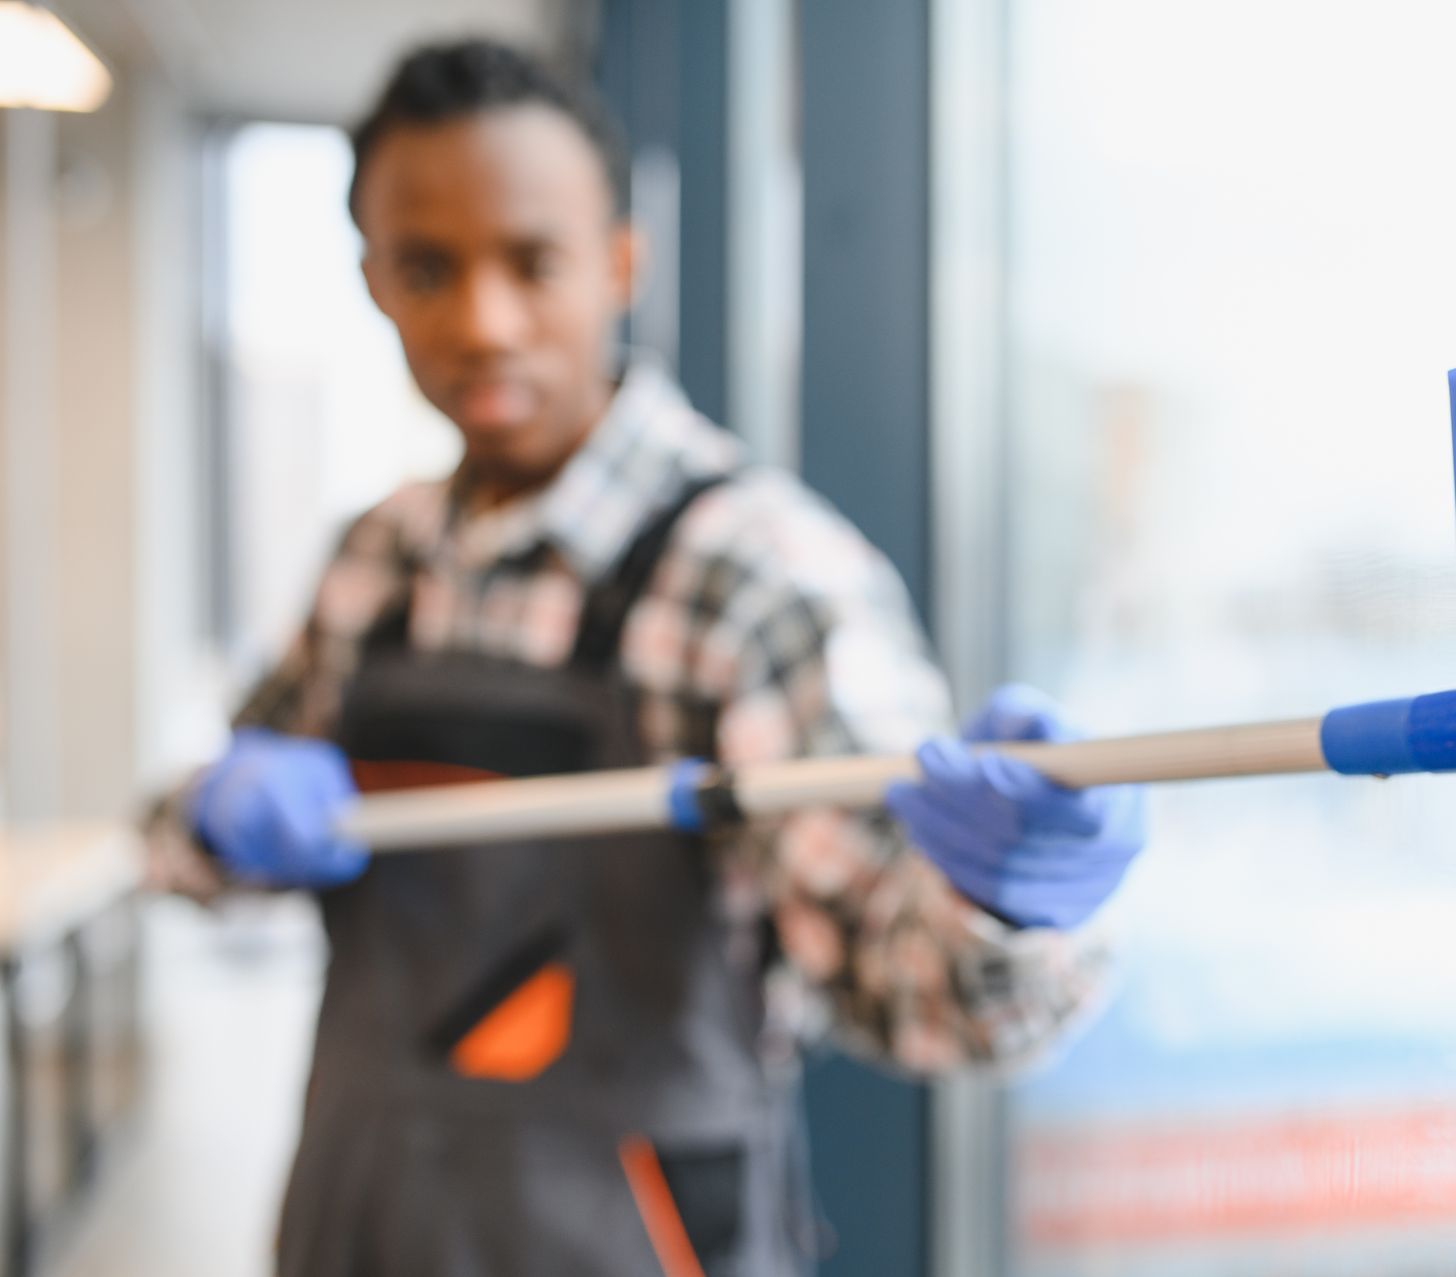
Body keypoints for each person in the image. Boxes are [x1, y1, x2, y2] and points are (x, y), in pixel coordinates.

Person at [142, 38, 1146, 1277]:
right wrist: (213, 811)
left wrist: (1004, 903)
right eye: (428, 269)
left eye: (533, 261)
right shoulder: (376, 560)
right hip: (362, 1228)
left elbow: (909, 980)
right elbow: (187, 840)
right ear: (372, 283)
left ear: (623, 258)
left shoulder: (754, 573)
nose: (483, 321)